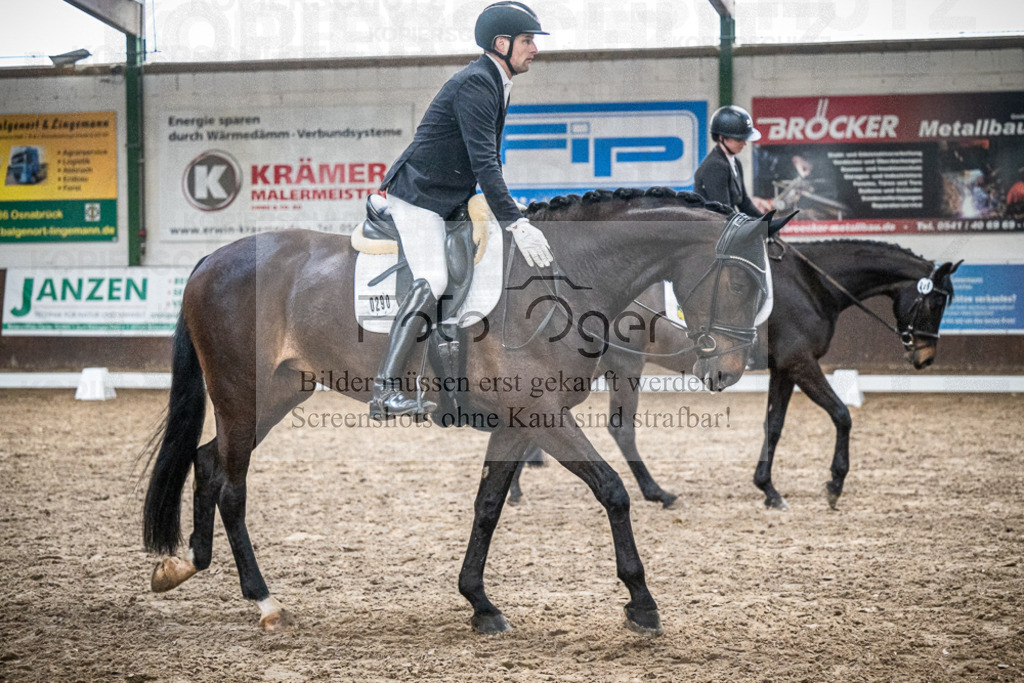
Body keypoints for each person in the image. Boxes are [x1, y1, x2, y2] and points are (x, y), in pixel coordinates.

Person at [369, 1, 554, 420]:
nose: (534, 50)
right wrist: (516, 222)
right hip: (419, 195)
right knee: (433, 277)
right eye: (527, 41)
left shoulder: (495, 80)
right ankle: (384, 391)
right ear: (501, 43)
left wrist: (511, 210)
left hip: (449, 196)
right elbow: (484, 163)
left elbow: (488, 163)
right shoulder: (477, 83)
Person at [694, 105, 773, 216]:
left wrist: (766, 223)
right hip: (713, 228)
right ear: (721, 138)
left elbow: (744, 203)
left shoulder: (735, 162)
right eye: (739, 139)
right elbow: (724, 212)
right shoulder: (715, 166)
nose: (744, 143)